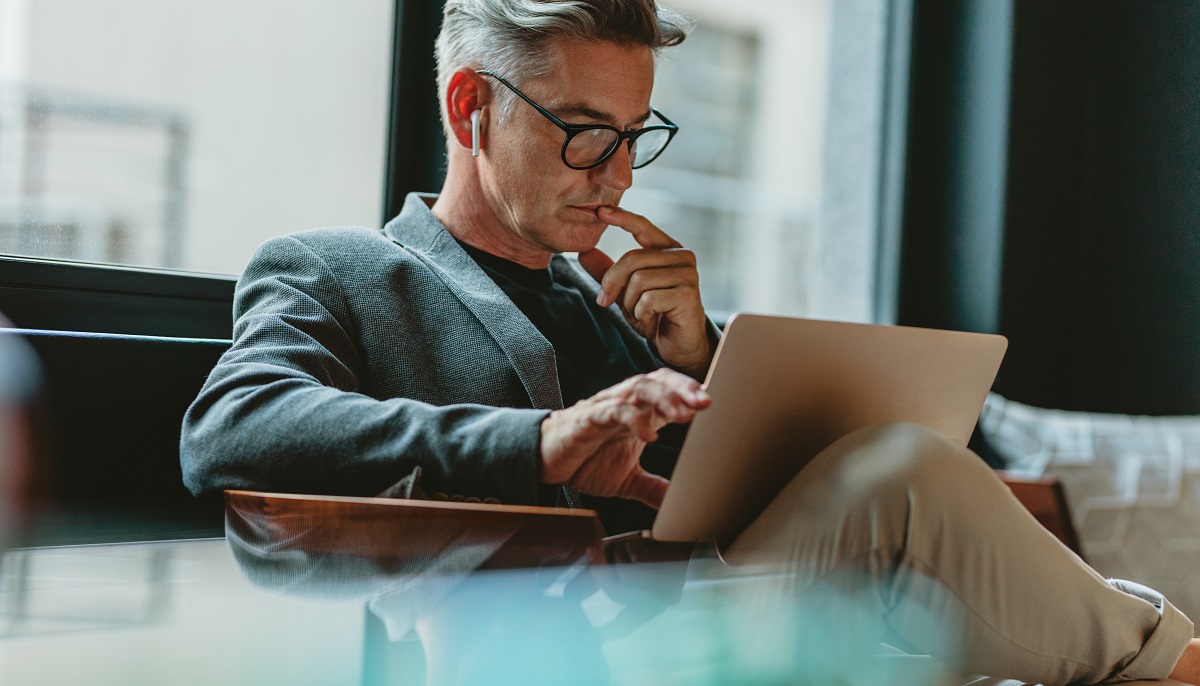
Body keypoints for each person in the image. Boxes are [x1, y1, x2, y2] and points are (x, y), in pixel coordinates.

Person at [180, 0, 1199, 682]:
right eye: (585, 130)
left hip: (701, 612)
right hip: (533, 644)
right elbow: (231, 425)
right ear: (470, 106)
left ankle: (1152, 655)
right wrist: (538, 441)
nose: (618, 176)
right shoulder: (338, 269)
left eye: (635, 135)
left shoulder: (617, 313)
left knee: (905, 480)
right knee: (903, 479)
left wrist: (704, 358)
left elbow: (741, 501)